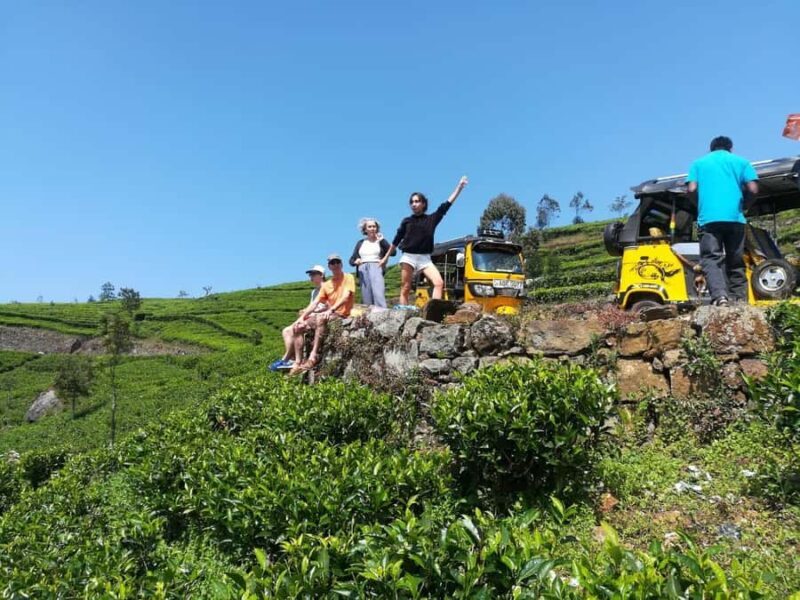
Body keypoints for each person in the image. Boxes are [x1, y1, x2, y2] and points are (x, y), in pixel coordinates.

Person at [686, 136, 758, 306]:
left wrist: (699, 204)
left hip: (708, 220)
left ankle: (720, 297)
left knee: (711, 259)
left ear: (711, 149)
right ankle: (740, 300)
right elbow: (754, 189)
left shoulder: (698, 164)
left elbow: (691, 189)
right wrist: (744, 207)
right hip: (735, 218)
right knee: (736, 259)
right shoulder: (742, 162)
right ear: (730, 148)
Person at [379, 176, 468, 306]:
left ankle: (434, 309)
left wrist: (459, 187)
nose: (414, 204)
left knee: (439, 283)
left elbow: (446, 205)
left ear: (423, 204)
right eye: (412, 202)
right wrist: (385, 258)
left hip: (425, 259)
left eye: (417, 201)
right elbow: (396, 240)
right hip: (408, 256)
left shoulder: (432, 219)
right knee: (406, 287)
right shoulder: (407, 221)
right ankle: (401, 314)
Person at [289, 253, 355, 372]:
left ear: (341, 264)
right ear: (329, 266)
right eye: (332, 263)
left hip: (341, 313)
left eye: (337, 262)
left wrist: (331, 310)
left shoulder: (348, 277)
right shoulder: (327, 285)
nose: (335, 265)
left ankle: (313, 356)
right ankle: (298, 362)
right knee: (298, 327)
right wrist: (302, 318)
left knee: (320, 319)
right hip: (330, 313)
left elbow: (345, 297)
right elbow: (314, 304)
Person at [268, 265, 326, 371]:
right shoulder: (314, 291)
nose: (311, 277)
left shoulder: (327, 287)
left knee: (296, 328)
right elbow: (311, 306)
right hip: (310, 316)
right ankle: (290, 359)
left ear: (321, 275)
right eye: (310, 275)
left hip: (317, 317)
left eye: (313, 274)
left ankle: (286, 359)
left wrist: (313, 312)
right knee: (286, 331)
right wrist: (305, 311)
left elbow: (327, 306)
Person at [349, 218, 395, 308]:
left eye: (374, 226)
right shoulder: (360, 243)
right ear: (365, 229)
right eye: (369, 227)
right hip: (362, 268)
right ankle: (369, 317)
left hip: (376, 266)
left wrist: (382, 240)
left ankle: (382, 312)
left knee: (378, 293)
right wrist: (356, 262)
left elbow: (393, 252)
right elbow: (351, 260)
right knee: (366, 296)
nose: (372, 228)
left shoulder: (380, 241)